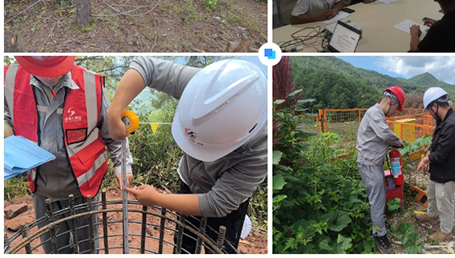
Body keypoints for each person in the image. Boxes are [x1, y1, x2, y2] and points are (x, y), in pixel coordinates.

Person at [106, 57, 267, 253]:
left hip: (225, 203)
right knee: (184, 242)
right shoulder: (205, 87)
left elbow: (216, 203)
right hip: (189, 182)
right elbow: (145, 66)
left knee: (220, 248)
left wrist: (157, 199)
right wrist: (113, 113)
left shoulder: (260, 148)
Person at [4, 56, 133, 254]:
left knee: (87, 247)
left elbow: (114, 132)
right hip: (42, 187)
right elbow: (8, 116)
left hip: (83, 188)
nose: (50, 76)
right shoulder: (11, 79)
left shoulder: (90, 86)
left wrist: (122, 164)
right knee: (54, 248)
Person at [356, 87, 406, 254]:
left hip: (373, 162)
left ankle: (379, 225)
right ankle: (379, 235)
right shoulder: (375, 113)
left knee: (379, 196)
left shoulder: (377, 113)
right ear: (391, 101)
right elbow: (384, 135)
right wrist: (398, 142)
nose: (394, 113)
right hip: (369, 164)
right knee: (377, 199)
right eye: (395, 109)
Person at [416, 87, 455, 242]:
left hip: (447, 173)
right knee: (431, 194)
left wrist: (424, 160)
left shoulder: (453, 124)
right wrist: (428, 155)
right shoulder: (442, 121)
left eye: (429, 110)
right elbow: (435, 144)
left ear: (435, 106)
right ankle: (431, 215)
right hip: (438, 170)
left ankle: (445, 232)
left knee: (444, 203)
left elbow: (441, 154)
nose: (429, 114)